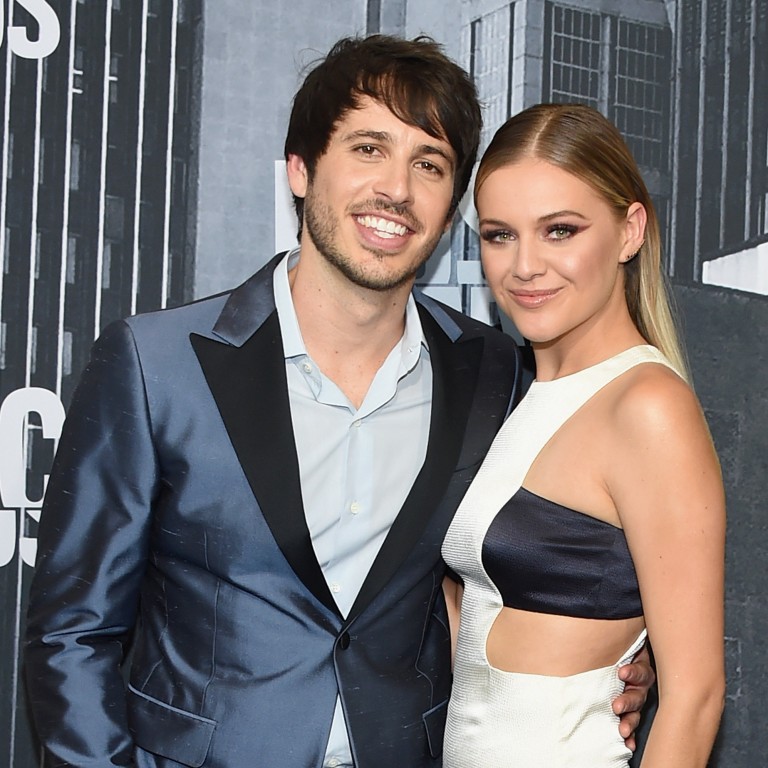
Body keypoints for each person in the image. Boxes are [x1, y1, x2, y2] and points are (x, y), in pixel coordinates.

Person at [24, 39, 651, 768]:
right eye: (367, 148)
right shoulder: (154, 363)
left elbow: (560, 560)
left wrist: (618, 668)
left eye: (429, 164)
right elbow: (72, 632)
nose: (396, 189)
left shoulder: (494, 375)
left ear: (451, 211)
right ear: (300, 168)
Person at [441, 103, 725, 767]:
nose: (525, 266)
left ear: (629, 231)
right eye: (498, 235)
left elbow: (697, 695)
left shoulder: (647, 407)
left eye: (560, 230)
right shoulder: (514, 398)